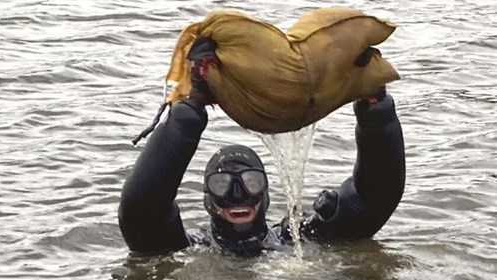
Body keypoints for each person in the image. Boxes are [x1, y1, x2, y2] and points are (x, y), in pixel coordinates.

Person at [119, 36, 406, 255]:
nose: (237, 195)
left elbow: (375, 197)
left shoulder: (297, 238)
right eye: (221, 184)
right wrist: (188, 112)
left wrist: (375, 108)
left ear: (265, 191)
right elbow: (141, 211)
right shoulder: (192, 248)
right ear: (208, 199)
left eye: (250, 182)